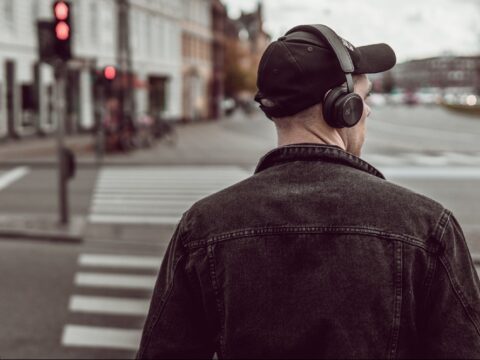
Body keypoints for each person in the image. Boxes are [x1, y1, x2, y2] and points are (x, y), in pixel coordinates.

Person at [136, 24, 480, 359]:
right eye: (365, 97)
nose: (369, 110)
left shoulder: (203, 227)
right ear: (343, 107)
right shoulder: (428, 227)